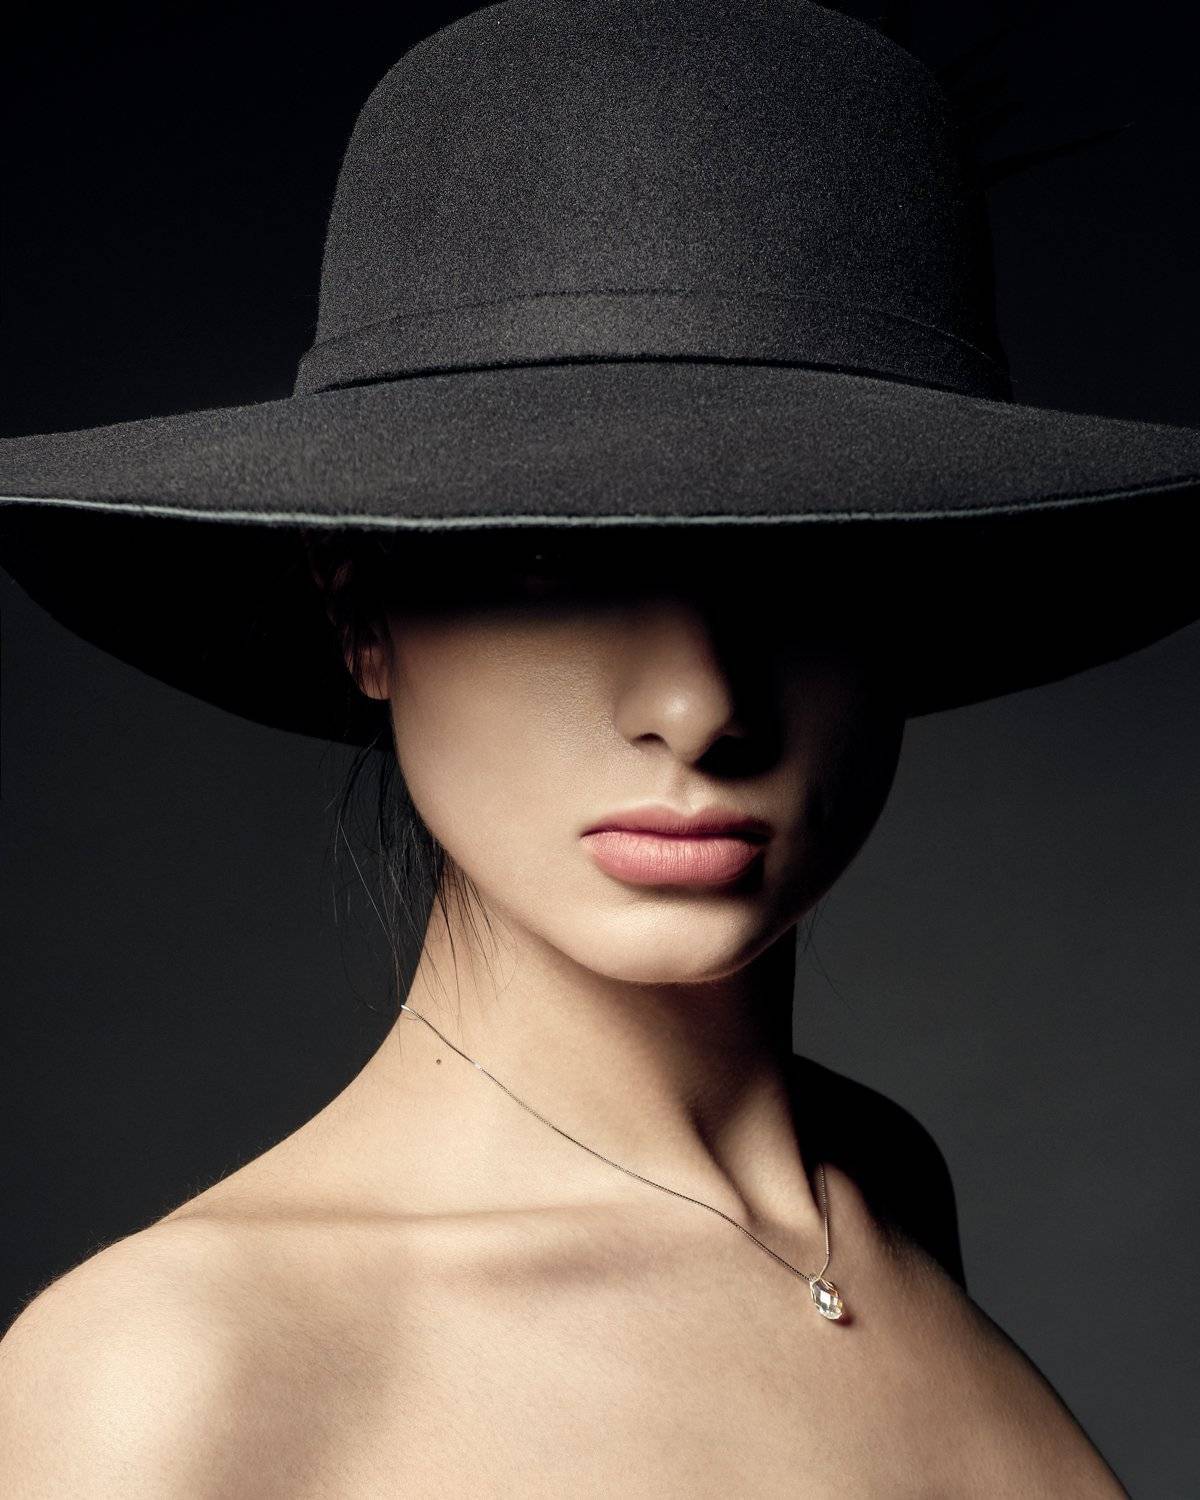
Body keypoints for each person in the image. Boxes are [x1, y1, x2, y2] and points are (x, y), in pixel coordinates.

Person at [0, 1, 1196, 1493]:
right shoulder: (168, 1377)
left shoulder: (877, 1196)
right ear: (357, 602)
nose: (698, 703)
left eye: (810, 555)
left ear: (922, 589)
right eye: (553, 556)